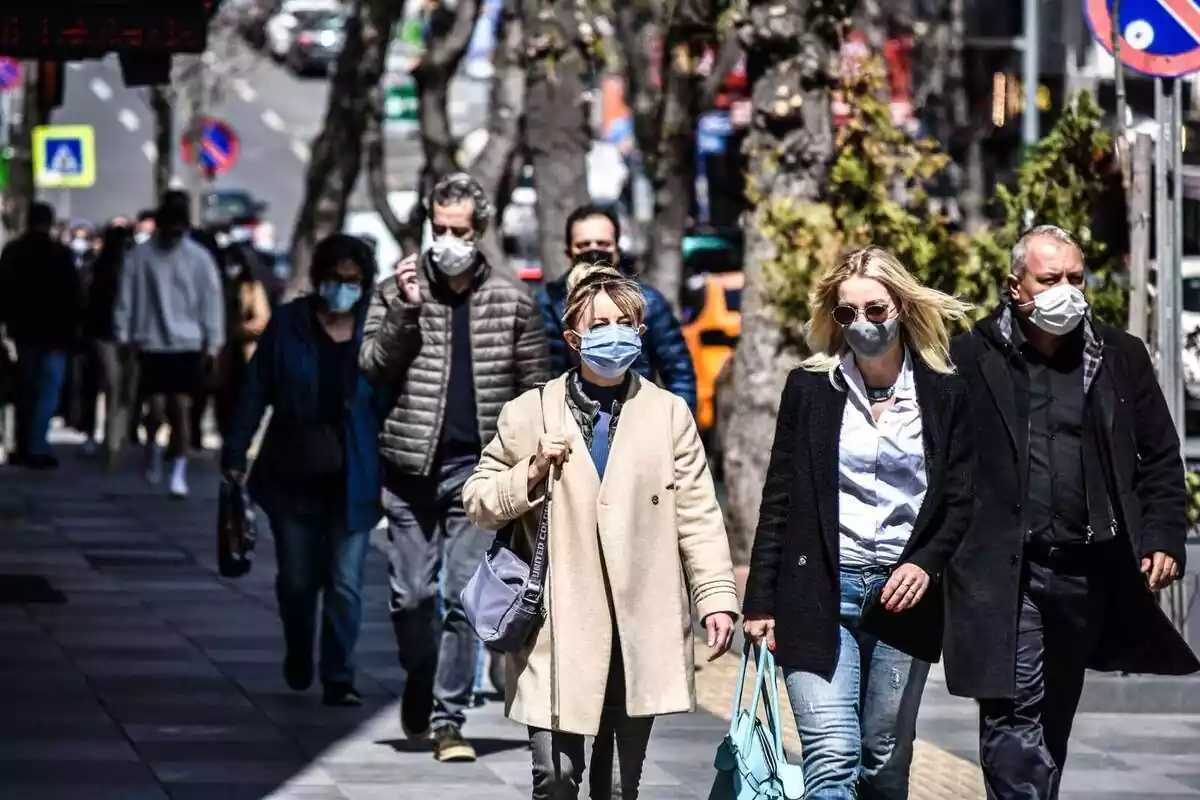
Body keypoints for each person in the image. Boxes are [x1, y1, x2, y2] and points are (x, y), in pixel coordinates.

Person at [463, 262, 738, 800]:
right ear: (572, 337)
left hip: (639, 628)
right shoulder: (529, 412)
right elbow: (478, 500)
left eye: (624, 324)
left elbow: (698, 514)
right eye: (598, 324)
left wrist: (716, 597)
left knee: (616, 787)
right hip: (556, 630)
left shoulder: (668, 414)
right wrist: (531, 472)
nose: (612, 334)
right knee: (557, 778)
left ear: (640, 334)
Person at [946, 225, 1200, 799]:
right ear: (1016, 287)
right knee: (1013, 716)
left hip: (1087, 572)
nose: (1067, 290)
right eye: (1049, 278)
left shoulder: (1118, 356)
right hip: (1007, 574)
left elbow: (1159, 454)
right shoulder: (969, 358)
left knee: (1051, 721)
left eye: (1075, 278)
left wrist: (1162, 536)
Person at [743, 246, 975, 799]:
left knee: (884, 761)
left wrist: (927, 563)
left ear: (902, 307)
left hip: (903, 598)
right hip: (819, 588)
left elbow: (963, 498)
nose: (863, 324)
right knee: (831, 754)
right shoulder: (810, 388)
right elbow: (780, 496)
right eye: (848, 314)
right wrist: (760, 601)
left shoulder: (945, 390)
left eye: (876, 310)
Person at [359, 172, 548, 763]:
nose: (447, 240)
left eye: (458, 230)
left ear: (481, 231)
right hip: (409, 469)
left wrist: (528, 468)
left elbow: (536, 389)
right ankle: (419, 679)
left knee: (463, 598)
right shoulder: (399, 289)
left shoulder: (513, 299)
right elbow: (371, 367)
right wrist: (407, 312)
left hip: (478, 473)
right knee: (410, 595)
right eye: (438, 229)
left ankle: (448, 719)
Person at [222, 234, 382, 707]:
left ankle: (338, 674)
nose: (342, 290)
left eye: (352, 282)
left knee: (346, 583)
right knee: (297, 580)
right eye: (335, 280)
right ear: (318, 279)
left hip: (353, 476)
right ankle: (298, 648)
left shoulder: (375, 327)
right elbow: (256, 389)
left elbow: (393, 398)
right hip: (292, 472)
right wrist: (235, 451)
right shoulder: (290, 324)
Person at [114, 191, 225, 498]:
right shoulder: (140, 256)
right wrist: (124, 333)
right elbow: (126, 295)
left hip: (187, 342)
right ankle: (152, 446)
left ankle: (179, 469)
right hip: (150, 340)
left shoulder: (199, 259)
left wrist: (212, 343)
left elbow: (210, 302)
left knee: (180, 407)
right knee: (156, 406)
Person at [535, 204, 697, 412]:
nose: (594, 250)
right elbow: (540, 374)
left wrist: (678, 425)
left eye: (602, 243)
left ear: (617, 249)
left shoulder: (648, 302)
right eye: (584, 245)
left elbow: (679, 371)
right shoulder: (547, 303)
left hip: (637, 418)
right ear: (569, 251)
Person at [0, 202, 80, 468]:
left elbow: (5, 290)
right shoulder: (60, 254)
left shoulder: (14, 252)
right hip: (54, 334)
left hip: (23, 333)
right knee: (46, 392)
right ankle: (36, 446)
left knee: (25, 390)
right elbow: (73, 297)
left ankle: (23, 444)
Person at [83, 219, 136, 468]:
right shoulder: (111, 267)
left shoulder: (103, 267)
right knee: (119, 387)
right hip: (112, 334)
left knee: (116, 387)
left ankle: (114, 439)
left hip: (109, 333)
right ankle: (114, 440)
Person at [214, 242, 271, 439]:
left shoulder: (252, 288)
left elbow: (262, 320)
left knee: (242, 397)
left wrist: (237, 330)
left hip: (243, 351)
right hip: (223, 353)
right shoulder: (217, 286)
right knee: (222, 398)